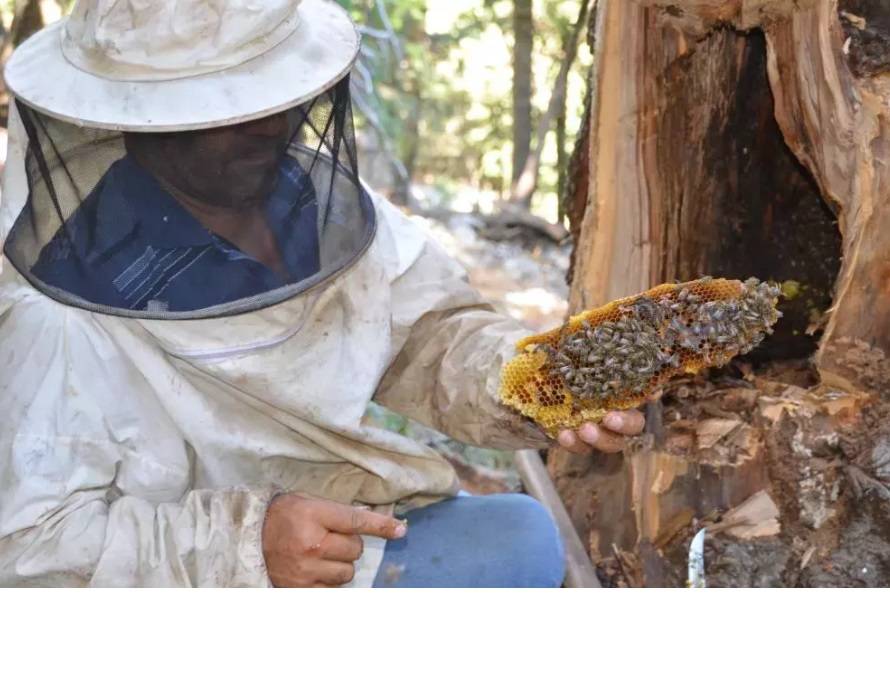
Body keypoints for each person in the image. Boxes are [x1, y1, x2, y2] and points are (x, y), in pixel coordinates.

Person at [0, 0, 644, 588]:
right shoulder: (56, 308)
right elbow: (28, 550)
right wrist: (245, 548)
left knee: (523, 536)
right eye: (231, 107)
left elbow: (431, 337)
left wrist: (533, 379)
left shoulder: (314, 204)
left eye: (275, 93)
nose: (269, 126)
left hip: (348, 533)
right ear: (139, 122)